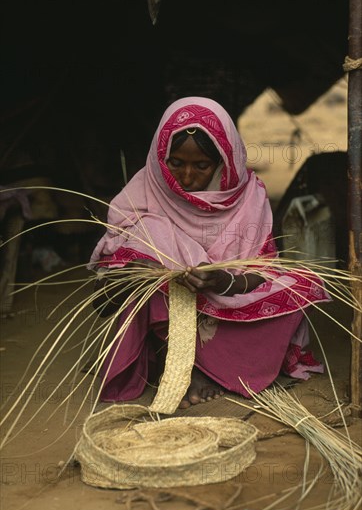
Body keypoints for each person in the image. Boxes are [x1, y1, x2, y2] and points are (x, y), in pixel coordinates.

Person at [89, 96, 330, 409]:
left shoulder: (249, 197)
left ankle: (216, 366)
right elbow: (103, 295)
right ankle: (177, 365)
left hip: (226, 301)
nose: (187, 177)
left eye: (201, 166)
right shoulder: (141, 196)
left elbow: (261, 271)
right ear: (160, 157)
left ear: (224, 161)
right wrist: (140, 270)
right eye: (175, 163)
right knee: (145, 258)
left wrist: (222, 282)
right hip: (166, 311)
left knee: (299, 286)